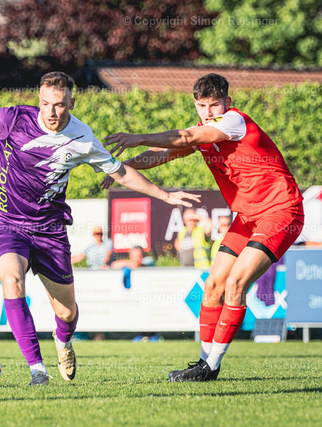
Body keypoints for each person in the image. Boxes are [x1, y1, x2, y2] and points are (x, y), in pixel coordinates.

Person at [0, 71, 200, 386]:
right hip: (7, 223)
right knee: (11, 281)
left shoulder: (83, 138)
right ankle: (37, 368)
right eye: (45, 103)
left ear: (71, 103)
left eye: (59, 105)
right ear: (38, 100)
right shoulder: (12, 119)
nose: (51, 112)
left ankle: (63, 340)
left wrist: (164, 194)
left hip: (50, 231)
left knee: (66, 313)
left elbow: (120, 172)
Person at [104, 73, 304, 382]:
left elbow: (185, 138)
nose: (208, 112)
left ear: (227, 102)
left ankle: (211, 365)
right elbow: (165, 153)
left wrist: (137, 136)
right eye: (201, 105)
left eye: (214, 105)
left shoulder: (234, 122)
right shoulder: (205, 130)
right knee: (212, 286)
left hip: (280, 211)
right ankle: (203, 362)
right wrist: (122, 168)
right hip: (248, 217)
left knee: (236, 284)